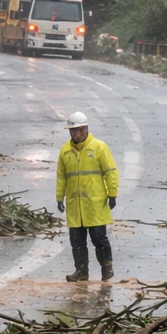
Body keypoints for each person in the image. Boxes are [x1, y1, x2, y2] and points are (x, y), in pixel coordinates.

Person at [56, 112, 119, 282]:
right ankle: (81, 270)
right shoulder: (65, 151)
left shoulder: (99, 147)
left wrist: (112, 194)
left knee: (99, 239)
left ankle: (107, 268)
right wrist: (59, 197)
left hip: (95, 204)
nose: (75, 134)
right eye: (72, 131)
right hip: (75, 206)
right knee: (77, 241)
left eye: (78, 130)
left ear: (86, 129)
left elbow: (110, 171)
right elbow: (62, 176)